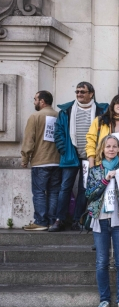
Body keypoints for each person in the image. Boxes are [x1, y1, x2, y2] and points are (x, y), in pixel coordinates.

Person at [85, 134, 119, 307]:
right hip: (101, 220)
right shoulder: (95, 170)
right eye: (108, 146)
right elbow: (89, 194)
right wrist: (105, 180)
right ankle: (104, 300)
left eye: (114, 146)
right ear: (102, 149)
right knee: (102, 262)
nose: (111, 149)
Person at [54, 82, 108, 232]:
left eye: (83, 92)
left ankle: (78, 219)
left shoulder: (101, 110)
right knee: (65, 187)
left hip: (90, 156)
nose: (79, 94)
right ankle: (59, 219)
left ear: (91, 93)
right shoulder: (66, 110)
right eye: (77, 92)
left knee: (84, 189)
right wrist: (64, 150)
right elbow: (58, 133)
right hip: (71, 155)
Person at [21, 91, 62, 231]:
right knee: (54, 192)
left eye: (35, 99)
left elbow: (29, 140)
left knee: (39, 192)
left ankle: (40, 222)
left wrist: (25, 158)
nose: (34, 102)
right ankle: (52, 221)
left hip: (41, 161)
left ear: (42, 101)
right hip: (57, 161)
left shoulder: (35, 116)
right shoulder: (59, 116)